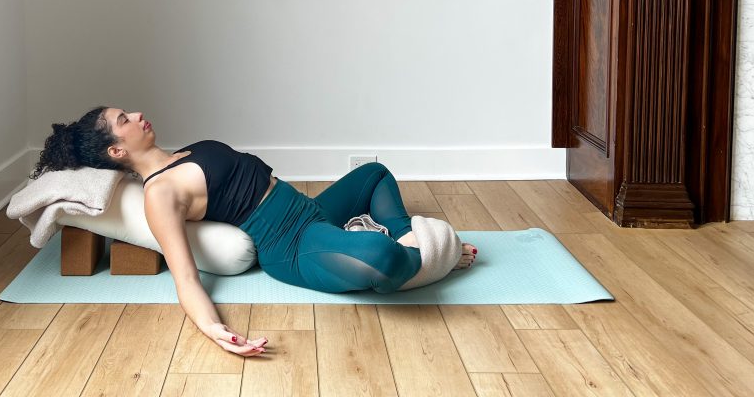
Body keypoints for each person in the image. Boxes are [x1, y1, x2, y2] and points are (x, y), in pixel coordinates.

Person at [33, 106, 477, 358]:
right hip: (293, 247)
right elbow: (185, 276)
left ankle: (405, 235)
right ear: (117, 149)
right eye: (123, 119)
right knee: (380, 259)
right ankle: (432, 256)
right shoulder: (160, 194)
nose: (137, 113)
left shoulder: (188, 150)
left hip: (311, 211)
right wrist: (214, 330)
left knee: (374, 172)